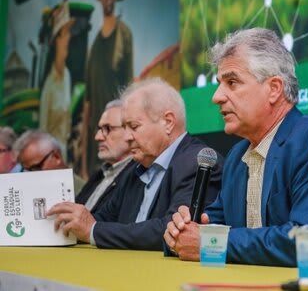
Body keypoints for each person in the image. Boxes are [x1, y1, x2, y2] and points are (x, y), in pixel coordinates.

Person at [164, 28, 308, 273]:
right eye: (219, 84)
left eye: (232, 82)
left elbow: (306, 240)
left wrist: (210, 243)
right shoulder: (236, 158)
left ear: (274, 88)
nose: (216, 97)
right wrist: (179, 233)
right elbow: (207, 227)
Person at [47, 78, 222, 250]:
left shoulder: (198, 163)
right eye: (124, 128)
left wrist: (92, 231)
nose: (127, 137)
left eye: (134, 126)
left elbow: (173, 230)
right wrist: (77, 223)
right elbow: (102, 218)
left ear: (168, 122)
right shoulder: (134, 169)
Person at [82, 0, 133, 179]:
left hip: (118, 128)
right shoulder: (93, 47)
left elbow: (130, 85)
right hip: (98, 128)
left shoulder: (124, 34)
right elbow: (87, 101)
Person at [76, 99, 134, 213]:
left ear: (130, 129)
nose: (98, 137)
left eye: (108, 129)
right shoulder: (99, 174)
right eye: (99, 129)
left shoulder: (137, 177)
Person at [39, 0, 74, 159]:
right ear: (57, 40)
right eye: (66, 32)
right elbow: (42, 130)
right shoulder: (49, 84)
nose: (69, 37)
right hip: (49, 158)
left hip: (63, 155)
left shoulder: (67, 75)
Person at [14, 130, 85, 195]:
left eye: (36, 168)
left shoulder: (84, 192)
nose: (31, 176)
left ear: (56, 157)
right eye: (26, 171)